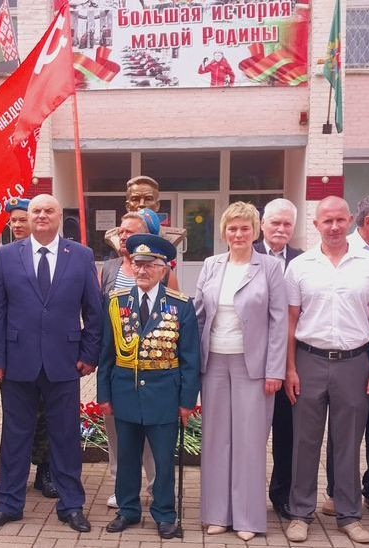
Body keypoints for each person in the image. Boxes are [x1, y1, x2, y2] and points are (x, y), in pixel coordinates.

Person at [0, 194, 101, 533]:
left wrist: (89, 354)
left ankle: (71, 505)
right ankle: (9, 504)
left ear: (61, 216)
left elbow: (93, 311)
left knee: (65, 437)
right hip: (17, 362)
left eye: (49, 210)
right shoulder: (5, 255)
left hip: (64, 362)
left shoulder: (80, 256)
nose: (42, 215)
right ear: (28, 218)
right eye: (36, 211)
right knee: (15, 436)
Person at [284, 196, 369, 545]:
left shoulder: (368, 265)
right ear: (316, 225)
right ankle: (300, 513)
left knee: (348, 443)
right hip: (309, 361)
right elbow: (290, 321)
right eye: (326, 221)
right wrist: (289, 369)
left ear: (351, 221)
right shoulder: (299, 266)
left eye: (340, 220)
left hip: (355, 364)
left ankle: (349, 514)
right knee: (304, 442)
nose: (333, 226)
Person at [97, 233, 200, 540]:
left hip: (163, 396)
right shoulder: (116, 303)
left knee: (164, 461)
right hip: (125, 393)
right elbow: (107, 353)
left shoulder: (181, 306)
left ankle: (165, 514)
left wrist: (186, 401)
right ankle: (128, 510)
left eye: (148, 265)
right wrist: (104, 395)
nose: (141, 270)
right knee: (126, 457)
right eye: (137, 264)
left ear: (163, 269)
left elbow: (190, 359)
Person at [195, 202, 287, 540]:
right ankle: (217, 513)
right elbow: (199, 315)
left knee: (249, 442)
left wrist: (275, 369)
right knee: (216, 440)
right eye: (232, 228)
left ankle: (248, 518)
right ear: (224, 232)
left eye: (244, 228)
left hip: (255, 367)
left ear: (256, 231)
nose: (238, 234)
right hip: (214, 363)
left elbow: (279, 321)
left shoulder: (271, 268)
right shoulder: (210, 265)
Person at [322, 196, 369, 520]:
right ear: (367, 222)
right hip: (347, 346)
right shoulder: (343, 248)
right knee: (342, 423)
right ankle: (336, 491)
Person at [98, 211, 179, 509]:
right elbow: (100, 319)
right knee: (119, 436)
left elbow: (175, 323)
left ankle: (156, 487)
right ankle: (122, 488)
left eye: (130, 231)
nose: (123, 236)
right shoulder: (107, 269)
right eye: (121, 231)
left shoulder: (165, 273)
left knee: (152, 438)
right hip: (121, 372)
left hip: (156, 372)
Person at [0, 196, 58, 499]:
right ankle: (11, 484)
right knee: (15, 425)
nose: (17, 224)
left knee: (49, 421)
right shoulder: (4, 255)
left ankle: (47, 473)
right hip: (17, 357)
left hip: (53, 357)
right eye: (13, 220)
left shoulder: (64, 255)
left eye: (21, 218)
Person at [254, 197, 303, 519]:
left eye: (287, 224)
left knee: (288, 434)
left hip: (291, 363)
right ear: (262, 225)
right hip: (252, 362)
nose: (281, 229)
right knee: (251, 434)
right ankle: (247, 496)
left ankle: (282, 495)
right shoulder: (246, 255)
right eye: (275, 223)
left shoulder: (303, 261)